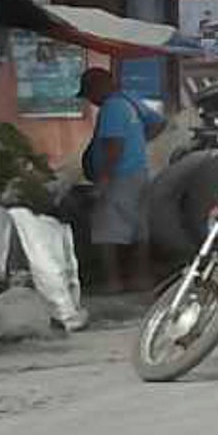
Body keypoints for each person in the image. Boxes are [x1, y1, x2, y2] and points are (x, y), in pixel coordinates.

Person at [79, 61, 152, 293]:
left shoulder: (111, 108)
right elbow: (159, 122)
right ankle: (140, 279)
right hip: (139, 173)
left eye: (90, 94)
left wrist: (103, 181)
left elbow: (113, 148)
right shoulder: (131, 101)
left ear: (99, 87)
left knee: (105, 233)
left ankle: (112, 282)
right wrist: (138, 143)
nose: (91, 100)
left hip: (119, 177)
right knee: (139, 229)